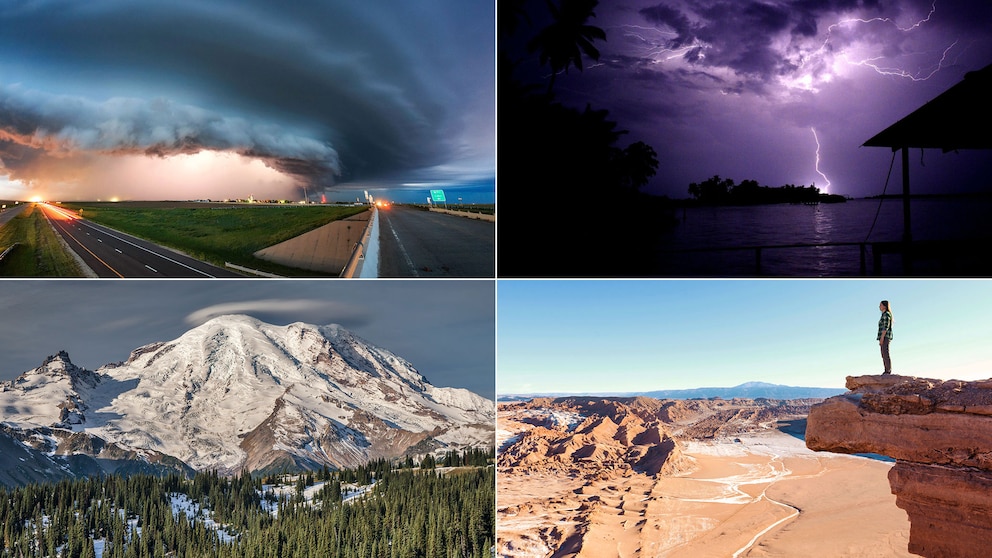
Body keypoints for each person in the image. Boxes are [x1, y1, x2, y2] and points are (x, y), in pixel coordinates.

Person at [877, 300, 893, 374]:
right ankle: (886, 370)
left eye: (880, 305)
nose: (879, 306)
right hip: (884, 336)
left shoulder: (886, 314)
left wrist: (882, 338)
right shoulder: (883, 315)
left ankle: (888, 370)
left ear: (884, 306)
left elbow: (885, 327)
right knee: (883, 353)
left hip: (885, 336)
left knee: (885, 353)